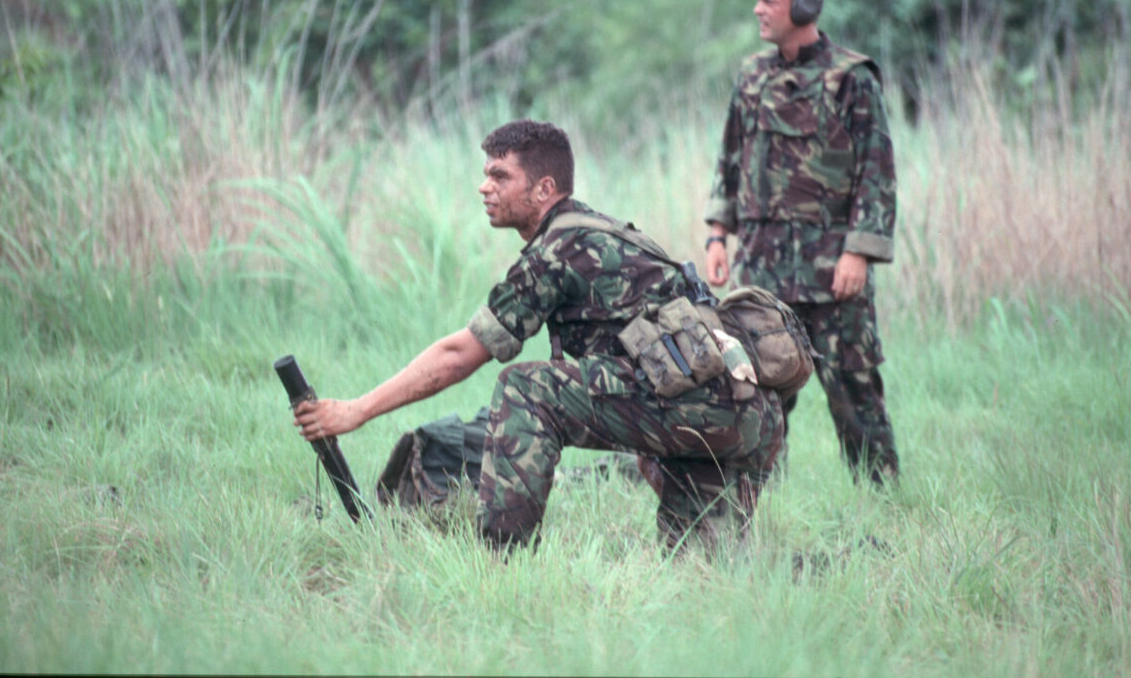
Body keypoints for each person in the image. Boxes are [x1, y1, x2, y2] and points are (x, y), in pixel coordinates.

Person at [295, 119, 784, 551]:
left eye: (500, 175)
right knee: (702, 572)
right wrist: (655, 446)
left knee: (526, 388)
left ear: (544, 188)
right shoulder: (602, 231)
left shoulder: (558, 248)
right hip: (748, 416)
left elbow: (460, 355)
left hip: (705, 407)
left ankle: (501, 564)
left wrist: (354, 411)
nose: (484, 187)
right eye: (486, 173)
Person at [702, 0, 899, 486]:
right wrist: (718, 235)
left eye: (768, 0)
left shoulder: (851, 79)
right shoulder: (751, 76)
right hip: (763, 268)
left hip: (833, 268)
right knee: (759, 387)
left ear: (804, 5)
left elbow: (876, 172)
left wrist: (859, 252)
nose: (757, 10)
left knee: (853, 386)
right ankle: (761, 501)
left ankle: (880, 496)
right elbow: (730, 159)